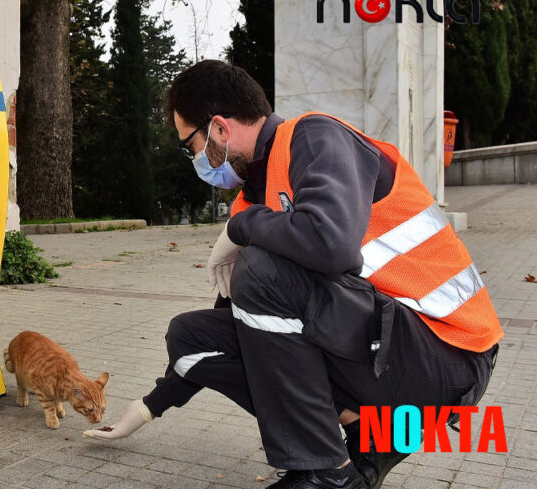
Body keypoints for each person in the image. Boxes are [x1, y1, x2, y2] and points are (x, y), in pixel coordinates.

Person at [83, 60, 501, 489]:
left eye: (188, 143)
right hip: (386, 346)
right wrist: (150, 405)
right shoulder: (254, 195)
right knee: (191, 336)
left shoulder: (317, 137)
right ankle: (365, 438)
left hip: (449, 355)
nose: (193, 158)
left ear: (219, 130)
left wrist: (239, 230)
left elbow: (331, 244)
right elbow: (241, 317)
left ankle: (325, 473)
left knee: (261, 271)